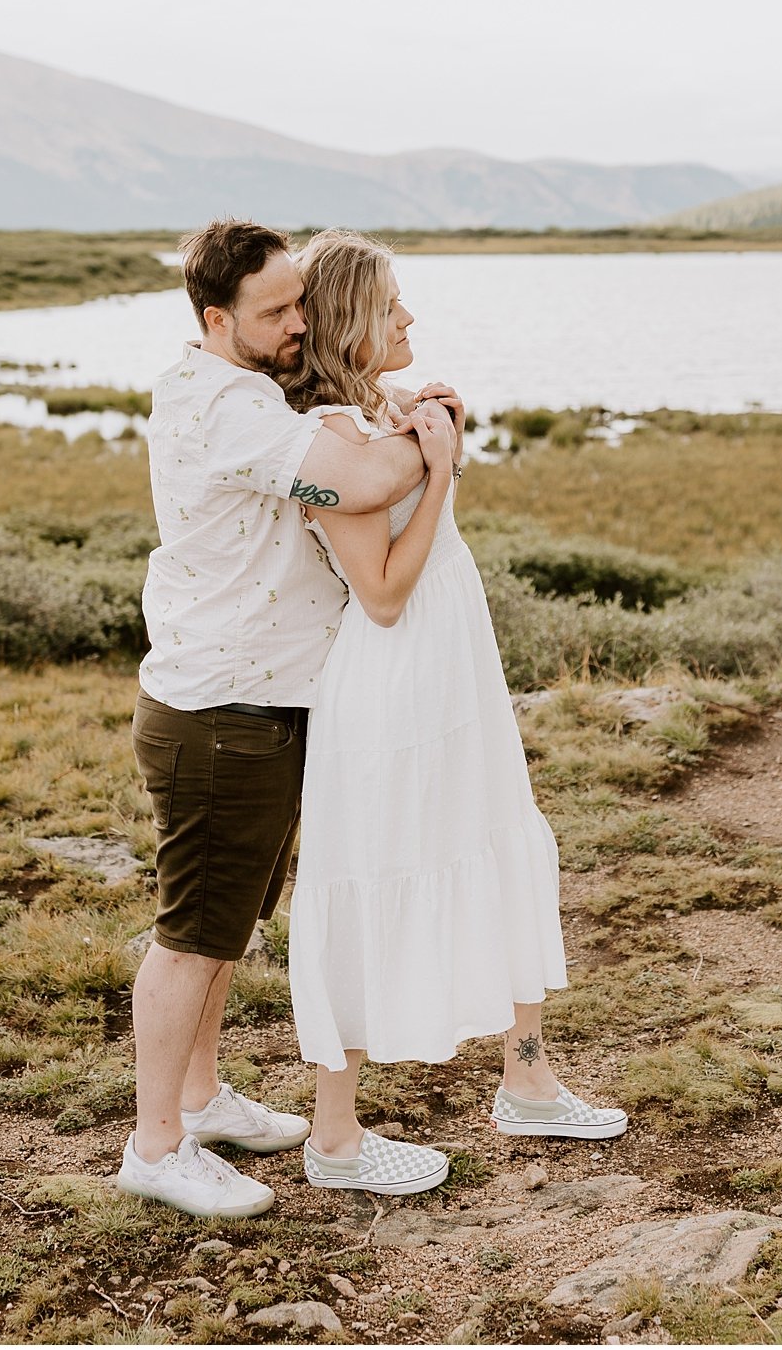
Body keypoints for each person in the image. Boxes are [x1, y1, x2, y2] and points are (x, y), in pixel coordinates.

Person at [277, 229, 626, 1198]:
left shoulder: (387, 409)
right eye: (391, 307)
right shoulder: (330, 442)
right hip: (391, 685)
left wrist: (436, 444)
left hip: (455, 669)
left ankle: (529, 1078)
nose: (409, 320)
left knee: (498, 842)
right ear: (350, 319)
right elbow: (382, 592)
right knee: (370, 879)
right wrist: (440, 472)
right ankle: (335, 1134)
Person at [119, 219, 433, 1219]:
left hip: (246, 696)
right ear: (217, 319)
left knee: (226, 924)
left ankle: (201, 1100)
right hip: (224, 708)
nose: (298, 321)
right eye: (275, 311)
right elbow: (372, 481)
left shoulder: (224, 386)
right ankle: (155, 1145)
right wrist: (433, 439)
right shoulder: (236, 411)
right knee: (192, 935)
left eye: (300, 299)